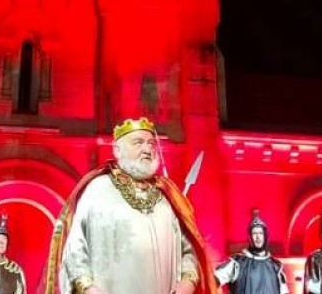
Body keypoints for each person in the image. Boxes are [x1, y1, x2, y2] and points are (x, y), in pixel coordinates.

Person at [41, 116, 218, 294]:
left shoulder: (167, 198)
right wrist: (88, 288)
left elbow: (188, 251)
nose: (147, 149)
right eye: (138, 142)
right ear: (117, 150)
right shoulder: (97, 190)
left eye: (151, 144)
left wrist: (187, 282)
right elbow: (75, 250)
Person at [214, 209, 289, 294]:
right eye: (254, 233)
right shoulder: (237, 263)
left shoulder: (276, 266)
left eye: (261, 233)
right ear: (250, 237)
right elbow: (213, 279)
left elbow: (284, 292)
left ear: (265, 236)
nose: (258, 237)